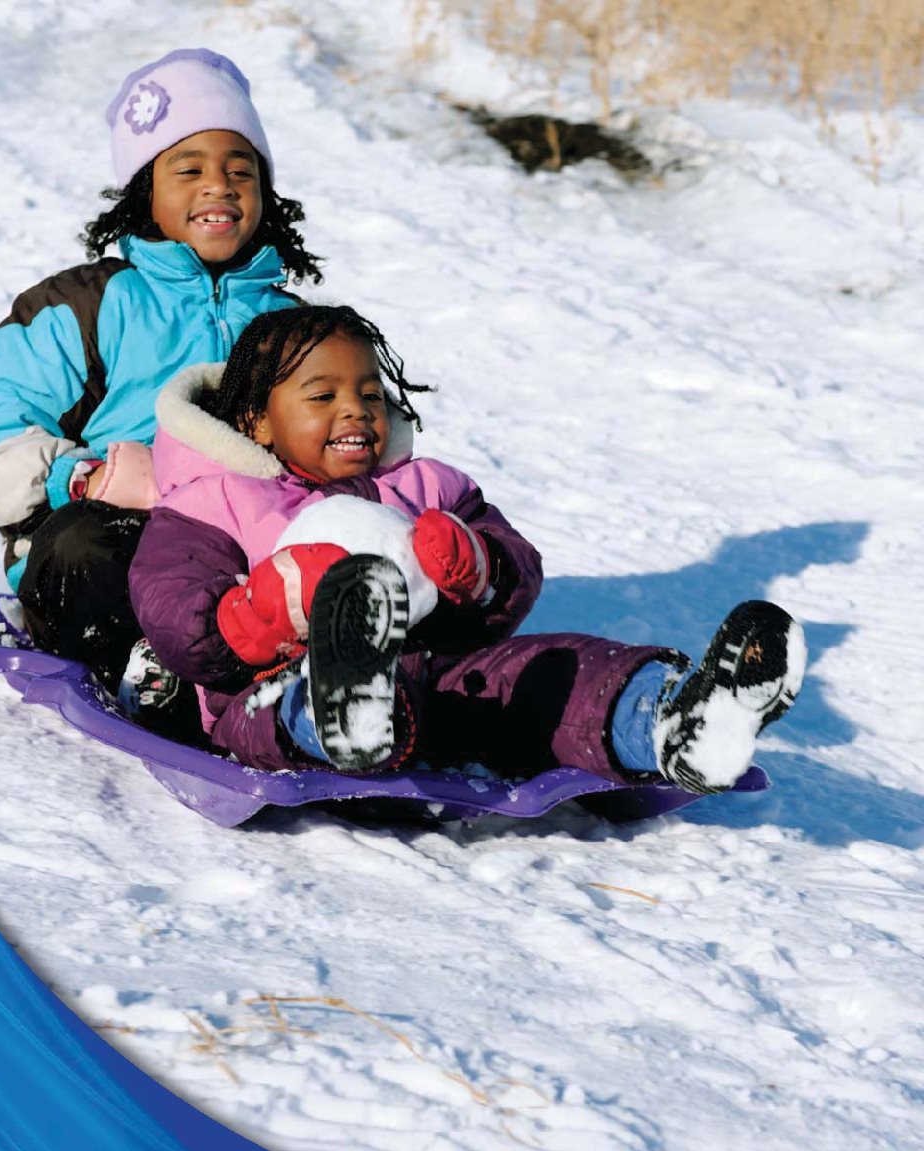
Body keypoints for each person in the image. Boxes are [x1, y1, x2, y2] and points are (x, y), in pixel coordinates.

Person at [128, 304, 806, 794]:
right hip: (267, 691)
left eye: (369, 394)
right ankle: (344, 713)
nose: (356, 411)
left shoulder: (425, 485)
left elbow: (516, 573)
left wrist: (479, 568)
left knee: (553, 672)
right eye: (322, 395)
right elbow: (175, 610)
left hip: (444, 676)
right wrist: (265, 613)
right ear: (256, 419)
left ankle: (672, 720)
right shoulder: (218, 500)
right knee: (284, 705)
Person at [0, 49, 321, 736]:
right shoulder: (89, 305)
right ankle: (159, 678)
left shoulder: (291, 327)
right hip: (115, 539)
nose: (221, 187)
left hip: (244, 548)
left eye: (243, 171)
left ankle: (327, 692)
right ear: (145, 188)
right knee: (92, 547)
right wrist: (83, 478)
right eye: (190, 169)